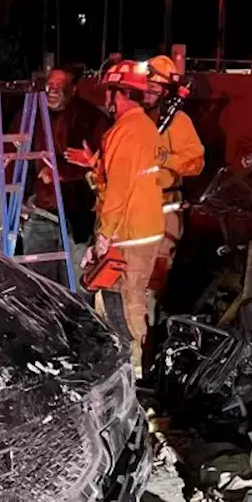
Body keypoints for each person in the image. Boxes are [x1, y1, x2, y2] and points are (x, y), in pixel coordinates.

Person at [85, 59, 166, 374]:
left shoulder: (126, 131)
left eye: (108, 91)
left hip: (129, 233)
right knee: (118, 296)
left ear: (116, 93)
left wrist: (104, 234)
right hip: (138, 229)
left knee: (129, 300)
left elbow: (118, 189)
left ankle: (133, 374)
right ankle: (124, 364)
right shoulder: (144, 126)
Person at [21, 65, 109, 281]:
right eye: (49, 84)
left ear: (74, 89)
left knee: (78, 282)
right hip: (41, 210)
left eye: (60, 86)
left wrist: (64, 173)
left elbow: (105, 166)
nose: (52, 90)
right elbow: (16, 154)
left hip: (77, 214)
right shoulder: (33, 113)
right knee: (37, 282)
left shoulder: (92, 119)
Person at [144, 55, 205, 274]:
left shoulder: (177, 121)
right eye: (145, 85)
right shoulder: (134, 117)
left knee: (152, 280)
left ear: (165, 90)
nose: (146, 91)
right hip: (134, 210)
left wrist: (164, 159)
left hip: (163, 209)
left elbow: (196, 162)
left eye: (153, 86)